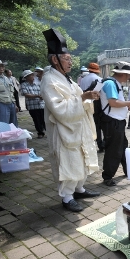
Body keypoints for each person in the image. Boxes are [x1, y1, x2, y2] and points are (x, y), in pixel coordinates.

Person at [40, 28, 101, 212]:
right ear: (54, 59)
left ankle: (79, 189)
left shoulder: (66, 79)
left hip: (78, 125)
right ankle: (67, 198)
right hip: (64, 129)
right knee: (68, 162)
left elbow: (78, 96)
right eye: (67, 59)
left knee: (81, 158)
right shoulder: (50, 80)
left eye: (70, 59)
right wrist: (83, 99)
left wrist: (89, 97)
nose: (70, 62)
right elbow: (59, 108)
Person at [100, 61, 130, 186]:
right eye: (128, 75)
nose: (129, 78)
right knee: (114, 150)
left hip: (117, 121)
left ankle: (129, 169)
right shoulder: (110, 83)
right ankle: (107, 176)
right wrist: (129, 104)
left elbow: (117, 102)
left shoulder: (115, 83)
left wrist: (127, 104)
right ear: (123, 73)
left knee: (123, 147)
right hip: (113, 122)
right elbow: (113, 103)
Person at [79, 62, 105, 152]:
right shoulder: (99, 79)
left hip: (85, 103)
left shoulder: (82, 79)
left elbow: (81, 92)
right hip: (97, 103)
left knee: (91, 123)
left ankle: (93, 144)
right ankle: (102, 145)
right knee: (100, 124)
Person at [20, 70, 46, 138]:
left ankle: (48, 131)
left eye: (32, 75)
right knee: (36, 120)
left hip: (41, 104)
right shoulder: (24, 85)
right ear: (26, 77)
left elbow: (42, 91)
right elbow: (26, 94)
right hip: (32, 106)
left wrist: (42, 96)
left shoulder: (38, 83)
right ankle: (40, 133)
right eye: (30, 75)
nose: (32, 76)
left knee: (44, 119)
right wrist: (37, 96)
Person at [0, 59, 17, 125]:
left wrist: (15, 104)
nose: (1, 68)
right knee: (4, 124)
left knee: (13, 125)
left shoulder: (6, 78)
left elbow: (11, 92)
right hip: (1, 103)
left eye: (2, 66)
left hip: (11, 103)